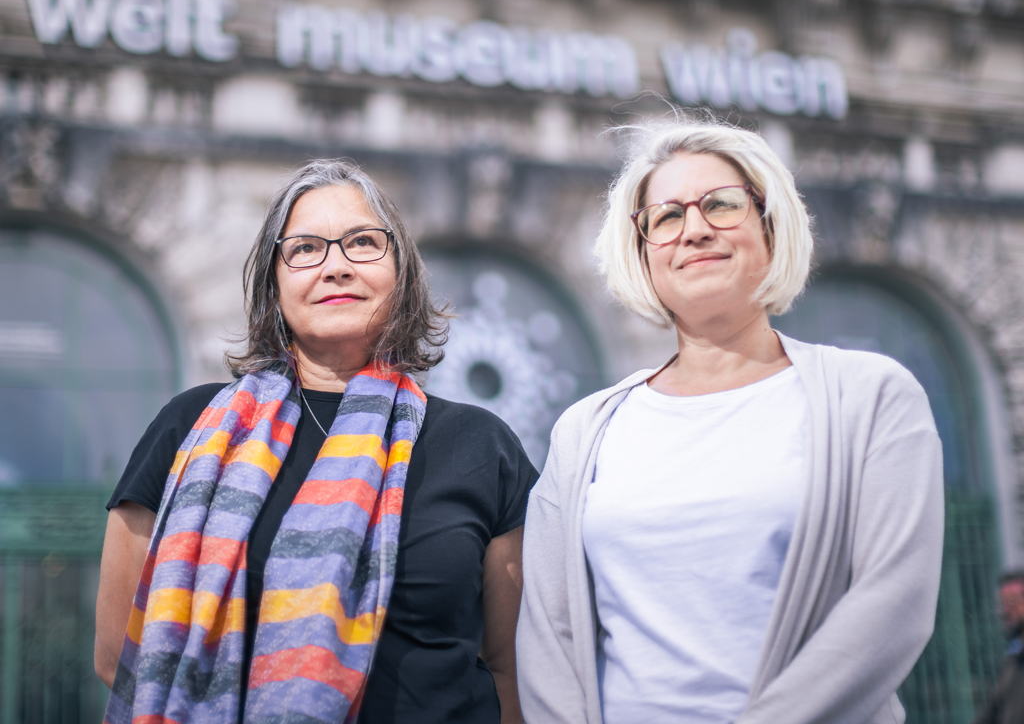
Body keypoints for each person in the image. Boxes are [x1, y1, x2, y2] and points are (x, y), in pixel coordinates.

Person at [515, 118, 945, 724]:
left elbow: (891, 605)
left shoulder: (871, 397)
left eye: (721, 205)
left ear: (771, 227)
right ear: (642, 253)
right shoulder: (585, 429)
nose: (693, 230)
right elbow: (547, 635)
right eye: (665, 217)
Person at [95, 159, 537, 724]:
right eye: (305, 249)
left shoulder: (481, 445)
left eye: (362, 242)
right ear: (274, 285)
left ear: (401, 273)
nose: (336, 267)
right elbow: (119, 655)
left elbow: (512, 666)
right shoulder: (191, 428)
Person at [972, 572, 1024, 724]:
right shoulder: (1013, 660)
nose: (1006, 610)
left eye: (1013, 602)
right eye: (1003, 603)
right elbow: (991, 711)